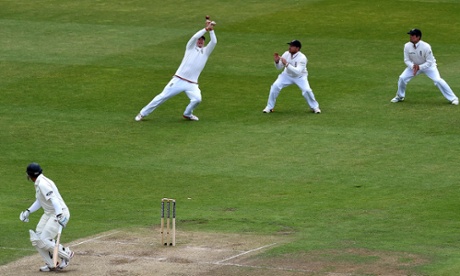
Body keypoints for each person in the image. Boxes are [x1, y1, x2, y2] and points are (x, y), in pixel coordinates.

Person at [135, 19, 217, 122]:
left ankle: (187, 114)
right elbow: (194, 37)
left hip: (192, 83)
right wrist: (205, 29)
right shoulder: (190, 48)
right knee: (162, 97)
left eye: (202, 40)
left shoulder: (205, 52)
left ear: (204, 42)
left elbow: (214, 42)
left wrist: (211, 30)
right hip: (179, 80)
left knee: (197, 99)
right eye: (199, 40)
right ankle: (142, 113)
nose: (200, 41)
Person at [19, 163, 74, 272]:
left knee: (44, 240)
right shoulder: (39, 182)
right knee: (37, 239)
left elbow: (54, 199)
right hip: (49, 213)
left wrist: (59, 215)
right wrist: (28, 211)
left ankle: (66, 254)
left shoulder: (43, 184)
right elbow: (40, 201)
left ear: (30, 176)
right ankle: (51, 263)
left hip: (59, 213)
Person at [391, 28, 458, 105]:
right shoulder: (407, 46)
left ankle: (453, 98)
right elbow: (406, 60)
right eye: (410, 35)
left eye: (413, 35)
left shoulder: (426, 46)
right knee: (402, 78)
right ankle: (400, 96)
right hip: (414, 66)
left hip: (429, 67)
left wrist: (419, 67)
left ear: (418, 37)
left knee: (438, 80)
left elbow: (429, 62)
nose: (410, 37)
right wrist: (413, 66)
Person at [263, 40, 321, 114]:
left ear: (297, 48)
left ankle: (315, 107)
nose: (289, 47)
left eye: (292, 46)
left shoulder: (302, 58)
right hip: (286, 75)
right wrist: (277, 62)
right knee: (275, 86)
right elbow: (279, 68)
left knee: (307, 90)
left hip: (300, 77)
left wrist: (287, 64)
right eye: (290, 45)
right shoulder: (286, 54)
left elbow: (297, 71)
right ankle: (269, 107)